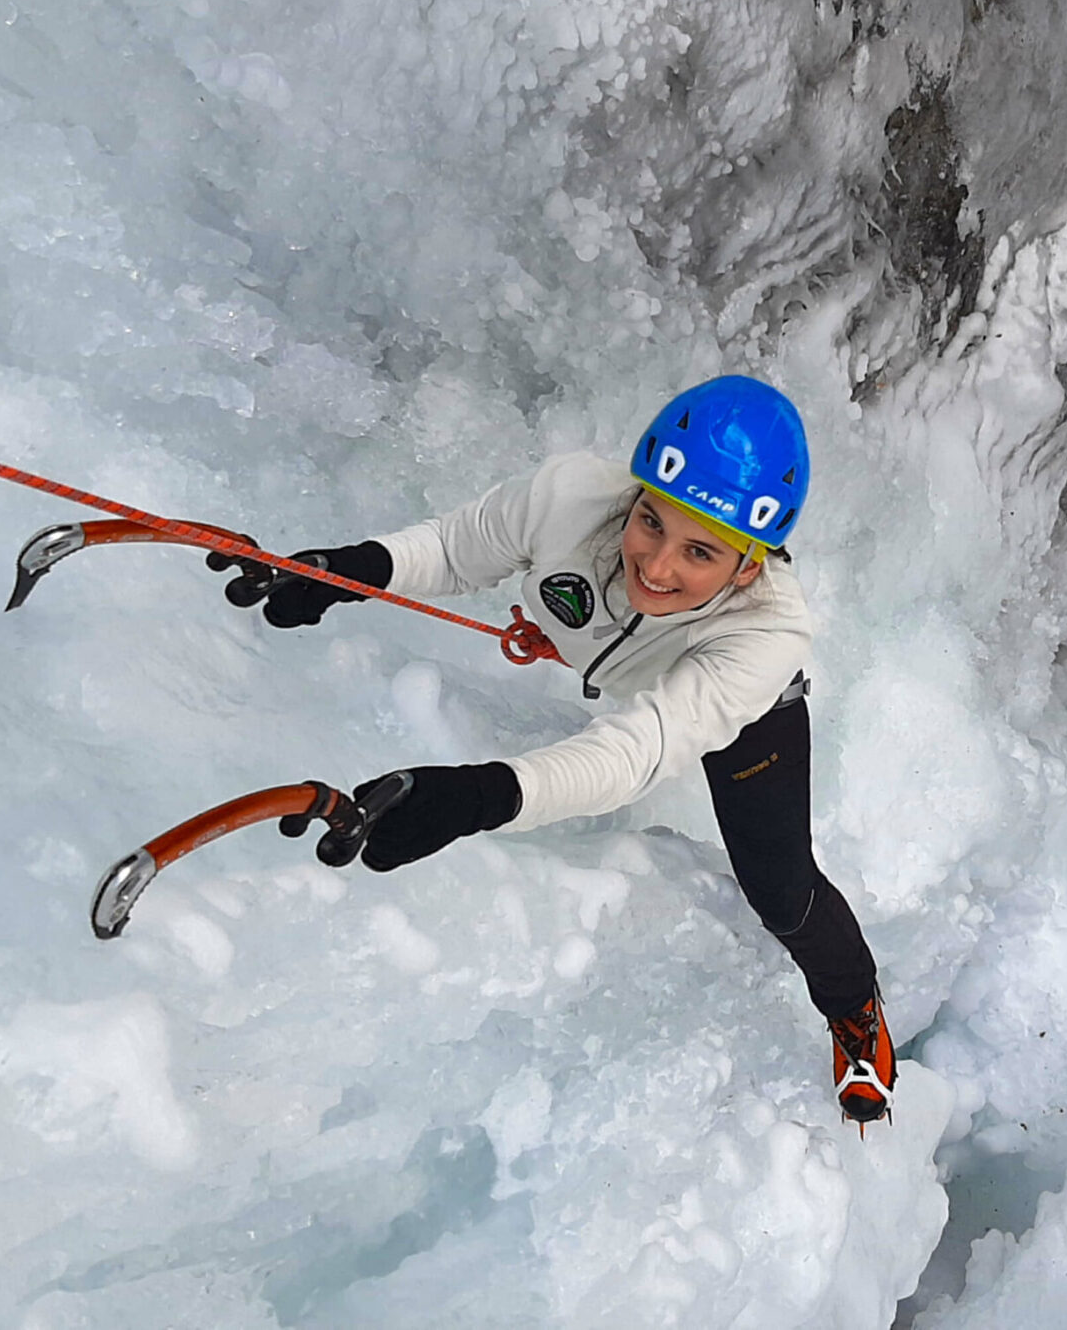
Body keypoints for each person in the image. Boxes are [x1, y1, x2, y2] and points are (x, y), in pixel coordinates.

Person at [217, 375, 896, 1128]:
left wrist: (476, 797)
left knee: (781, 887)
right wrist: (344, 572)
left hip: (745, 717)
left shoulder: (764, 636)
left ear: (750, 566)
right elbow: (452, 548)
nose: (659, 566)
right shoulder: (567, 497)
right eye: (650, 522)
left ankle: (854, 1009)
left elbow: (633, 755)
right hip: (617, 655)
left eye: (701, 552)